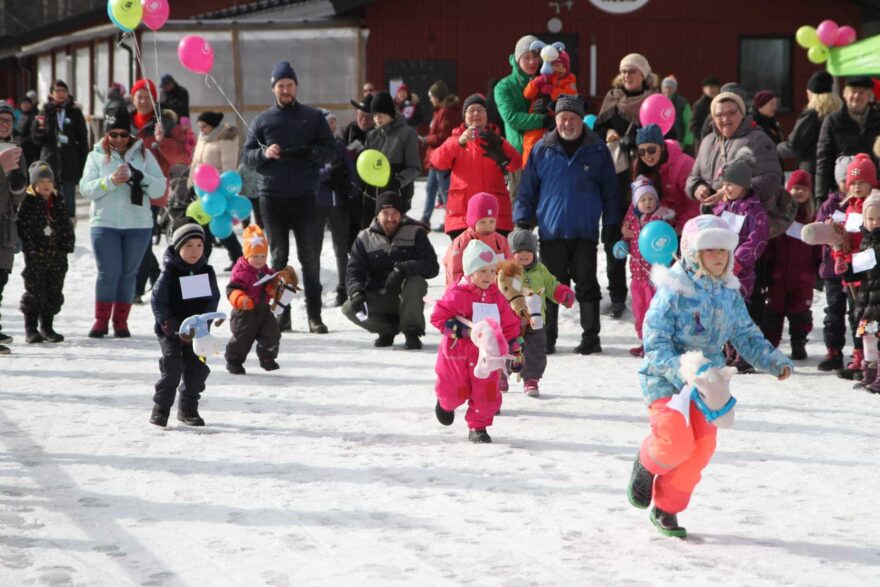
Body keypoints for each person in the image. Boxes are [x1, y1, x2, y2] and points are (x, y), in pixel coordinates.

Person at [628, 214, 792, 538]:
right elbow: (655, 341)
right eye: (710, 250)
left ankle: (667, 506)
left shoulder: (729, 293)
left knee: (701, 448)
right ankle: (647, 463)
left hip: (708, 383)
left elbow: (746, 334)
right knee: (675, 441)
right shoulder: (675, 290)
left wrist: (773, 361)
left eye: (723, 250)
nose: (718, 257)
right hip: (666, 379)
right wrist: (682, 369)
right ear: (693, 253)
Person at [515, 94, 620, 355]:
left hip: (584, 232)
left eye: (573, 118)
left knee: (587, 284)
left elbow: (611, 192)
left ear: (581, 120)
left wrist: (611, 224)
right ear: (556, 119)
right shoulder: (542, 149)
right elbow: (527, 190)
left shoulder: (597, 150)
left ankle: (591, 337)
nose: (568, 123)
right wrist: (523, 220)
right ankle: (547, 338)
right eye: (563, 118)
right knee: (548, 286)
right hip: (551, 232)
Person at [241, 61, 336, 334]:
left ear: (296, 87)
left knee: (310, 259)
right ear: (273, 89)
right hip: (273, 197)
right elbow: (247, 157)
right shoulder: (262, 120)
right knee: (278, 258)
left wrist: (313, 153)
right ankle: (282, 315)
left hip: (305, 196)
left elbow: (331, 150)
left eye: (290, 85)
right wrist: (264, 153)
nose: (285, 90)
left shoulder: (313, 117)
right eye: (281, 85)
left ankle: (315, 317)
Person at [79, 108, 167, 338]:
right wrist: (110, 181)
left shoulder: (144, 155)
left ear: (131, 134)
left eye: (124, 134)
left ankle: (121, 322)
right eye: (113, 134)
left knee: (128, 273)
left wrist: (140, 177)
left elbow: (160, 188)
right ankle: (101, 321)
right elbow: (86, 189)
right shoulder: (95, 155)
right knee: (108, 273)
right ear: (106, 134)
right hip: (104, 223)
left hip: (138, 224)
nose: (119, 139)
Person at [430, 239, 522, 444]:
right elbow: (438, 317)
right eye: (482, 271)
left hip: (486, 357)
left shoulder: (497, 297)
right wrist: (461, 330)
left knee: (487, 395)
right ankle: (445, 404)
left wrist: (515, 344)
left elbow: (509, 324)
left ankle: (478, 427)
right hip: (457, 356)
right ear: (470, 272)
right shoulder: (457, 294)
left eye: (492, 271)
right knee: (453, 392)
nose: (488, 276)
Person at [594, 53, 659, 319]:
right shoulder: (612, 99)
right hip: (615, 181)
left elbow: (668, 136)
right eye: (624, 71)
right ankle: (618, 297)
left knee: (650, 238)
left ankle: (654, 292)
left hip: (646, 180)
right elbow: (596, 132)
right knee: (614, 239)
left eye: (633, 71)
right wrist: (607, 133)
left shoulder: (654, 101)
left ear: (644, 74)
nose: (627, 75)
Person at [343, 192, 439, 349]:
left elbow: (432, 267)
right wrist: (356, 291)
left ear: (401, 214)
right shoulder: (364, 238)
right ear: (377, 215)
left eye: (395, 213)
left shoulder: (416, 233)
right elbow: (354, 270)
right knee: (349, 308)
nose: (390, 218)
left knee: (417, 281)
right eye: (385, 213)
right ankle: (387, 330)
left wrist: (402, 268)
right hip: (378, 296)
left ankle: (411, 331)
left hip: (407, 297)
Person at [150, 219, 221, 428]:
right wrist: (168, 322)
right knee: (172, 368)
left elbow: (212, 298)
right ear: (177, 247)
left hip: (197, 332)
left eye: (199, 245)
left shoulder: (206, 271)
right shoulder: (170, 273)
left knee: (197, 370)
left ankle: (188, 409)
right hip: (172, 331)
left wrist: (206, 319)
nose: (194, 251)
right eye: (188, 246)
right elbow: (157, 300)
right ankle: (161, 409)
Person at [430, 94, 521, 239]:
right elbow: (436, 161)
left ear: (487, 114)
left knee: (496, 254)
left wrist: (500, 144)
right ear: (464, 116)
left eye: (480, 110)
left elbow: (516, 163)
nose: (476, 114)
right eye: (471, 110)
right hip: (462, 218)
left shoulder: (497, 140)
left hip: (495, 219)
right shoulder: (455, 139)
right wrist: (458, 143)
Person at [507, 229, 574, 397]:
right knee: (507, 347)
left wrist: (562, 293)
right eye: (519, 251)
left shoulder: (540, 270)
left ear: (534, 251)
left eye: (528, 251)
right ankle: (501, 375)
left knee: (535, 350)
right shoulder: (507, 272)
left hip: (535, 320)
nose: (524, 255)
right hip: (511, 320)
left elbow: (552, 285)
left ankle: (531, 379)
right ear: (512, 253)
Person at [829, 154, 877, 380]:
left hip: (870, 273)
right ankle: (860, 356)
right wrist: (839, 256)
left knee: (871, 319)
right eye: (853, 183)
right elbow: (842, 238)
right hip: (853, 274)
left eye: (862, 182)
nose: (857, 187)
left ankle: (872, 360)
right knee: (856, 316)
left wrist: (854, 262)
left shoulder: (873, 205)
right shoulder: (848, 208)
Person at [16, 161, 75, 343]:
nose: (46, 185)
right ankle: (31, 328)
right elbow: (24, 228)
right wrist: (32, 247)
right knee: (36, 292)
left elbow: (66, 225)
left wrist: (66, 245)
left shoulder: (58, 202)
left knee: (54, 292)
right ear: (33, 184)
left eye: (49, 181)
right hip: (36, 256)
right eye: (41, 181)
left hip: (57, 257)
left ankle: (47, 327)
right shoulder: (28, 203)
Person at [763, 170, 818, 360]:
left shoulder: (812, 218)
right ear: (788, 190)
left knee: (800, 313)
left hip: (803, 276)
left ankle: (798, 344)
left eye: (804, 189)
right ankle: (770, 347)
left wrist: (817, 268)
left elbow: (818, 247)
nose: (799, 192)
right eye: (796, 188)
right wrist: (768, 267)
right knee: (773, 313)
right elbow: (770, 243)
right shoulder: (780, 215)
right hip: (779, 275)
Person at [619, 176, 675, 358]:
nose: (648, 202)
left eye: (651, 198)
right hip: (637, 275)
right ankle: (644, 341)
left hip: (656, 276)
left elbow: (667, 239)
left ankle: (658, 343)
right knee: (640, 311)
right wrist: (622, 243)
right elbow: (626, 239)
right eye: (643, 199)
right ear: (636, 203)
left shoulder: (661, 219)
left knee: (656, 311)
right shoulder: (631, 220)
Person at [816, 156, 858, 372]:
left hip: (856, 268)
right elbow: (817, 232)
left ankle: (860, 351)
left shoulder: (863, 203)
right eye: (845, 181)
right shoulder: (830, 205)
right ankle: (833, 350)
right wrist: (829, 229)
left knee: (857, 311)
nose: (850, 186)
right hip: (833, 269)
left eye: (854, 182)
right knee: (834, 310)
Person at [225, 224, 284, 375]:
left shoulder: (265, 270)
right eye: (255, 256)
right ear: (246, 255)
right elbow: (232, 290)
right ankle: (234, 361)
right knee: (242, 339)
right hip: (245, 313)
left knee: (272, 333)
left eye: (263, 256)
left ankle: (267, 358)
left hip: (263, 310)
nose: (260, 260)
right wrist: (241, 299)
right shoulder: (241, 272)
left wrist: (275, 286)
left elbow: (273, 282)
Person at [188, 110, 243, 271]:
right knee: (214, 226)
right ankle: (237, 257)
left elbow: (229, 168)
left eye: (204, 126)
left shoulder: (226, 140)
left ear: (213, 125)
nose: (201, 130)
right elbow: (195, 164)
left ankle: (202, 263)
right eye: (199, 127)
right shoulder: (203, 139)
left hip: (218, 192)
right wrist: (191, 185)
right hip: (201, 190)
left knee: (210, 227)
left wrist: (224, 192)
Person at [494, 35, 547, 199]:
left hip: (546, 153)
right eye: (527, 57)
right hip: (518, 156)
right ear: (517, 60)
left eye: (536, 57)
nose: (532, 62)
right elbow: (513, 118)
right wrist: (544, 120)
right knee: (519, 204)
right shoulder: (504, 87)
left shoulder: (547, 82)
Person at [316, 108, 357, 307]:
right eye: (328, 123)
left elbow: (352, 170)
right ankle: (314, 289)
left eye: (334, 122)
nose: (332, 126)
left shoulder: (340, 147)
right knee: (313, 248)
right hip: (317, 203)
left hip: (338, 203)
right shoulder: (313, 147)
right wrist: (328, 172)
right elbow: (310, 172)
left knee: (341, 247)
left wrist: (352, 188)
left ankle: (343, 288)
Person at [815, 76, 880, 203]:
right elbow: (824, 159)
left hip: (874, 190)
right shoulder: (833, 121)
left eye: (861, 92)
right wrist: (820, 196)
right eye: (853, 92)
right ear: (845, 94)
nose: (856, 96)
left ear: (869, 96)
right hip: (843, 190)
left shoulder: (878, 120)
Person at [31, 80, 89, 220]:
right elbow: (36, 140)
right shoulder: (45, 111)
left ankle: (69, 227)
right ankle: (48, 227)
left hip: (70, 161)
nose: (61, 94)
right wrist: (39, 130)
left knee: (69, 199)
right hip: (50, 160)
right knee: (48, 197)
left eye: (64, 91)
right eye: (58, 91)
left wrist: (84, 163)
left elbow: (83, 139)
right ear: (51, 94)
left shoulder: (75, 112)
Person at [629, 124, 699, 233]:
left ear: (662, 147)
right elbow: (637, 199)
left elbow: (695, 204)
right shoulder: (639, 166)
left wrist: (679, 228)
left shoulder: (684, 165)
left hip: (686, 225)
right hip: (655, 225)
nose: (647, 155)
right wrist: (628, 223)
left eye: (651, 150)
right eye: (642, 151)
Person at [363, 91, 421, 220]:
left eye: (381, 114)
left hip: (397, 193)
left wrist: (398, 182)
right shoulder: (372, 135)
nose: (377, 118)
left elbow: (414, 168)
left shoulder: (407, 133)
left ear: (390, 113)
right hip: (372, 195)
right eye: (374, 115)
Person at [0, 101, 27, 354]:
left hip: (6, 223)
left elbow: (19, 195)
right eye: (0, 120)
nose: (4, 124)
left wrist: (18, 186)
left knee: (1, 276)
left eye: (8, 120)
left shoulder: (16, 149)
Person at [777, 71, 841, 176]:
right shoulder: (840, 114)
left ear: (811, 93)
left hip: (813, 172)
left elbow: (794, 146)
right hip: (837, 171)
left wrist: (776, 148)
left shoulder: (812, 115)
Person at [522, 45, 577, 163]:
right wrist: (536, 83)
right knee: (532, 144)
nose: (560, 69)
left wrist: (552, 91)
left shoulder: (570, 79)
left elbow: (570, 95)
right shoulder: (544, 77)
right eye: (556, 65)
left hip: (555, 119)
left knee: (555, 147)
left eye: (563, 66)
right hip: (538, 116)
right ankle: (529, 165)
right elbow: (527, 94)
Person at [848, 191, 880, 392]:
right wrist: (847, 270)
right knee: (868, 338)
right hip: (867, 301)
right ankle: (869, 374)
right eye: (871, 218)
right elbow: (859, 273)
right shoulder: (865, 241)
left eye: (879, 218)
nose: (875, 223)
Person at [444, 192, 512, 288]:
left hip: (495, 291)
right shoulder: (461, 242)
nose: (488, 226)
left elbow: (510, 266)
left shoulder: (501, 241)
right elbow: (454, 271)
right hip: (468, 290)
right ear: (472, 221)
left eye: (492, 221)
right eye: (482, 222)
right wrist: (465, 286)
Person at [420, 81, 460, 226]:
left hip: (442, 157)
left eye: (431, 97)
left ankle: (450, 221)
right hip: (435, 158)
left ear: (437, 97)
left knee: (445, 191)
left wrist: (426, 139)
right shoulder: (440, 111)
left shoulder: (446, 112)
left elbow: (443, 136)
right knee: (431, 188)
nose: (430, 100)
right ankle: (425, 219)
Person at [343, 94, 375, 239]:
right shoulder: (348, 130)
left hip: (371, 190)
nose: (364, 120)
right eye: (361, 115)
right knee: (349, 232)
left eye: (368, 117)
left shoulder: (379, 134)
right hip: (351, 189)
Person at [660, 75, 693, 152]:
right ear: (662, 88)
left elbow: (688, 122)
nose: (668, 90)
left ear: (675, 89)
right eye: (665, 87)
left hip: (678, 141)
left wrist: (687, 140)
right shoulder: (657, 101)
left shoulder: (682, 103)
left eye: (670, 88)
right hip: (661, 140)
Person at [689, 76, 720, 154]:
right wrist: (703, 138)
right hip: (703, 142)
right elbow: (693, 125)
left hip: (719, 140)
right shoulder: (699, 105)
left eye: (715, 87)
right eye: (710, 87)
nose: (713, 90)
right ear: (704, 89)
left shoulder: (721, 102)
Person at [13, 96, 39, 165]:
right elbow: (18, 130)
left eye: (27, 103)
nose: (25, 105)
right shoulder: (20, 114)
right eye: (23, 103)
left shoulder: (34, 116)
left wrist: (23, 140)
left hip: (29, 147)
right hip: (18, 145)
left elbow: (33, 132)